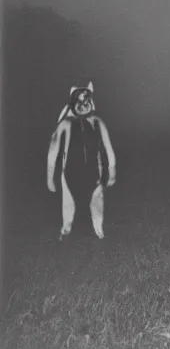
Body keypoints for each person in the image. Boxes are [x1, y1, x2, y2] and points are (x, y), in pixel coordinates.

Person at [46, 82, 117, 240]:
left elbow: (109, 149)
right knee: (68, 201)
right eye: (79, 102)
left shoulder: (98, 122)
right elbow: (53, 152)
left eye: (86, 101)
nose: (83, 105)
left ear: (91, 102)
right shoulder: (65, 124)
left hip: (94, 171)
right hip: (69, 171)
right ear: (72, 104)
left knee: (97, 199)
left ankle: (98, 227)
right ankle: (66, 225)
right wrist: (50, 178)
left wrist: (112, 171)